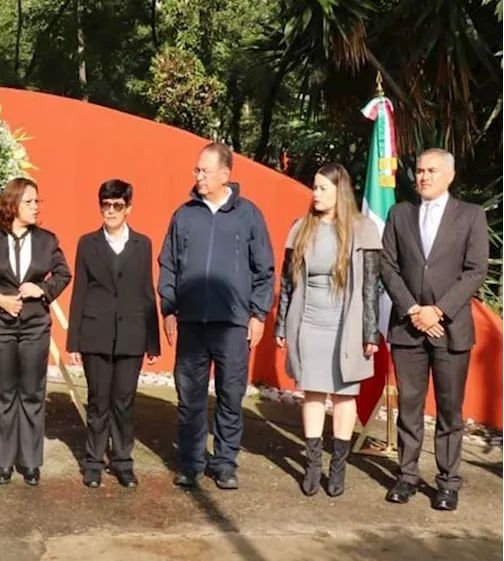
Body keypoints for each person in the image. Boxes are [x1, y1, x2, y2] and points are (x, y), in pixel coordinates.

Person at [159, 142, 275, 491]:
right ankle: (192, 463)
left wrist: (258, 313)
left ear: (226, 174)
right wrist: (168, 306)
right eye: (196, 170)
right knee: (190, 396)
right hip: (192, 322)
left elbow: (264, 269)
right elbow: (169, 263)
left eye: (204, 171)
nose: (198, 176)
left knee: (230, 395)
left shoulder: (248, 215)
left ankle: (224, 463)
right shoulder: (184, 215)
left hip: (232, 324)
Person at [379, 149, 488, 511]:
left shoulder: (470, 216)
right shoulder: (400, 214)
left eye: (431, 171)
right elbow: (388, 267)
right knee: (409, 406)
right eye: (419, 171)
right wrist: (413, 310)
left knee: (448, 410)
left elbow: (475, 270)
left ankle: (447, 483)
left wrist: (438, 311)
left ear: (449, 176)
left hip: (450, 329)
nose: (423, 176)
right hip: (407, 328)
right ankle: (407, 476)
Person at [274, 163, 380, 497]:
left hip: (346, 325)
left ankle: (338, 467)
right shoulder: (301, 228)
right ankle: (313, 464)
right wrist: (281, 323)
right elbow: (288, 283)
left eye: (323, 188)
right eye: (314, 188)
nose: (316, 194)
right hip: (309, 323)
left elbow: (371, 286)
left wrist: (370, 332)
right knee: (313, 391)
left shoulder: (362, 230)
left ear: (340, 191)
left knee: (344, 394)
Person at [0, 177, 72, 487]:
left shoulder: (47, 240)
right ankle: (4, 462)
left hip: (34, 326)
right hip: (1, 325)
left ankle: (29, 462)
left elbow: (64, 274)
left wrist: (40, 290)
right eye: (29, 202)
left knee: (31, 392)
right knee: (3, 393)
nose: (35, 207)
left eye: (37, 202)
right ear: (13, 205)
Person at [66, 179, 160, 490]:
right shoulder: (87, 243)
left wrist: (152, 340)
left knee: (124, 402)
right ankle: (93, 462)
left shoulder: (143, 244)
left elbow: (148, 292)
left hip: (132, 334)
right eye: (106, 205)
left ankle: (122, 462)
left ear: (128, 208)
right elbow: (80, 291)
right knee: (98, 402)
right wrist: (74, 340)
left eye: (117, 206)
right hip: (96, 333)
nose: (111, 211)